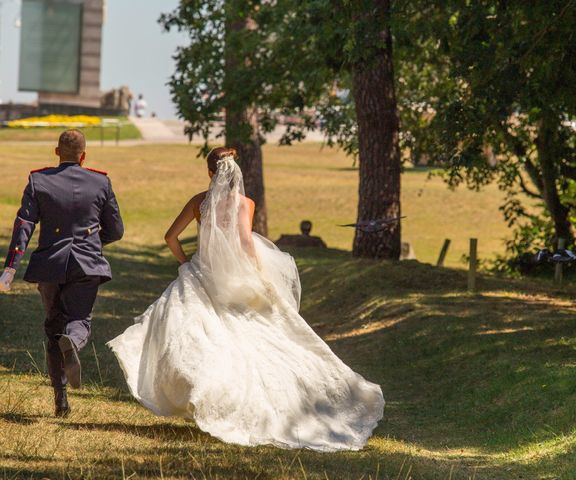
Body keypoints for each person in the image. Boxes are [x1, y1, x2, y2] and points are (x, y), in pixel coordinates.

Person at [108, 147, 384, 452]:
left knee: (199, 331)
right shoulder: (245, 204)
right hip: (236, 278)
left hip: (202, 272)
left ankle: (204, 388)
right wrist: (260, 276)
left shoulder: (198, 202)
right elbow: (244, 242)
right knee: (256, 334)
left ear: (210, 172)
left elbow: (170, 237)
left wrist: (185, 261)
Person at [0, 130, 124, 417]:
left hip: (50, 266)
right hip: (87, 264)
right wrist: (91, 243)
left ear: (57, 152)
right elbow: (116, 230)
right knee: (79, 320)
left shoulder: (38, 180)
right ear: (84, 155)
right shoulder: (100, 181)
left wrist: (10, 268)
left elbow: (24, 225)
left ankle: (61, 401)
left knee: (52, 328)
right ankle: (74, 340)